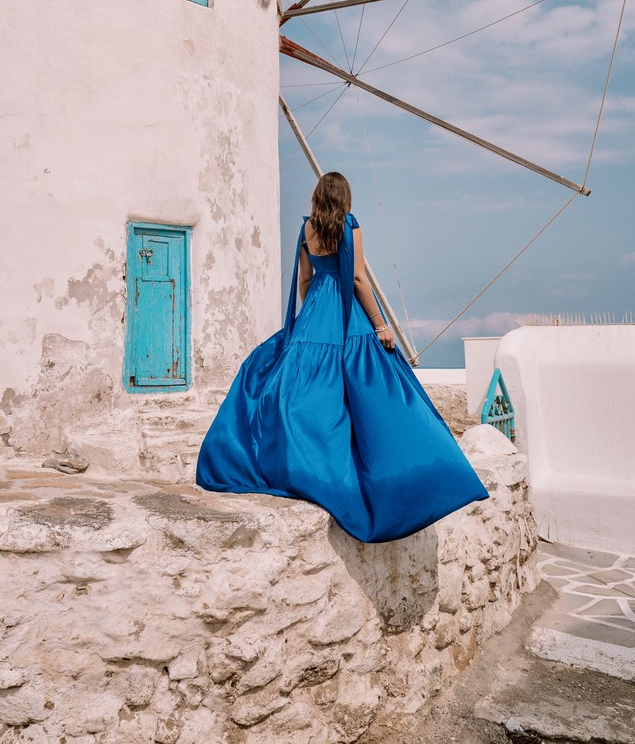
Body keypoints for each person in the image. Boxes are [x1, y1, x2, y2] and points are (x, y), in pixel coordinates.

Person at [196, 171, 488, 542]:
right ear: (345, 198)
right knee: (373, 391)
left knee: (307, 392)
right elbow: (358, 279)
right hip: (348, 314)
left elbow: (303, 281)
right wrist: (381, 325)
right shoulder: (350, 226)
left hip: (316, 309)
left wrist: (311, 321)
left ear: (318, 197)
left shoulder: (307, 231)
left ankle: (298, 463)